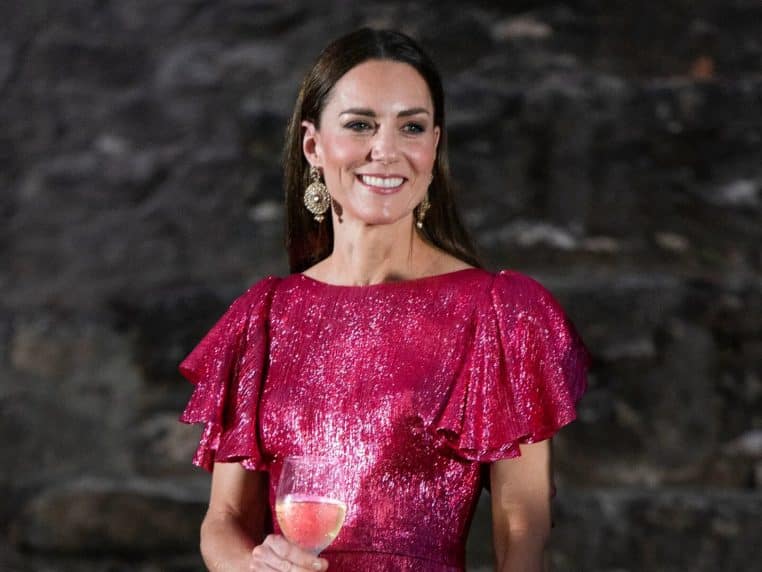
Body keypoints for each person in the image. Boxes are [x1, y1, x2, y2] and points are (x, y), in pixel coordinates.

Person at [179, 28, 589, 572]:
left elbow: (521, 529)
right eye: (360, 125)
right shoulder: (263, 317)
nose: (387, 151)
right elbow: (224, 519)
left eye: (411, 127)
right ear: (312, 146)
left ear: (434, 146)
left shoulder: (499, 312)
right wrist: (255, 568)